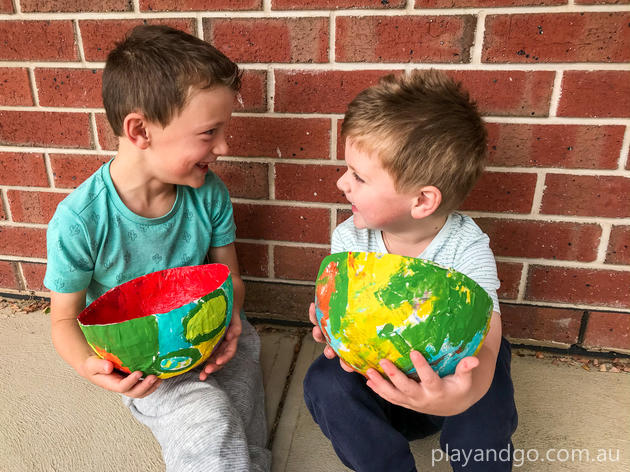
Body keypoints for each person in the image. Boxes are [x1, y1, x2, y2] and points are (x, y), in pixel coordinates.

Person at [44, 25, 270, 472]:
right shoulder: (81, 221)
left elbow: (232, 279)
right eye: (209, 133)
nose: (223, 147)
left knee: (241, 417)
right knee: (207, 418)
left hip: (216, 335)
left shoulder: (209, 194)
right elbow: (63, 319)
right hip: (149, 363)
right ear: (140, 130)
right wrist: (92, 367)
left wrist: (232, 323)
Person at [303, 70, 518, 472]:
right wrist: (329, 319)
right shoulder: (351, 240)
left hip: (450, 385)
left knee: (487, 376)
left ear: (421, 200)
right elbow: (338, 318)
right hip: (380, 383)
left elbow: (487, 341)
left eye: (359, 176)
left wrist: (458, 397)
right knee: (324, 381)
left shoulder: (467, 248)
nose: (341, 182)